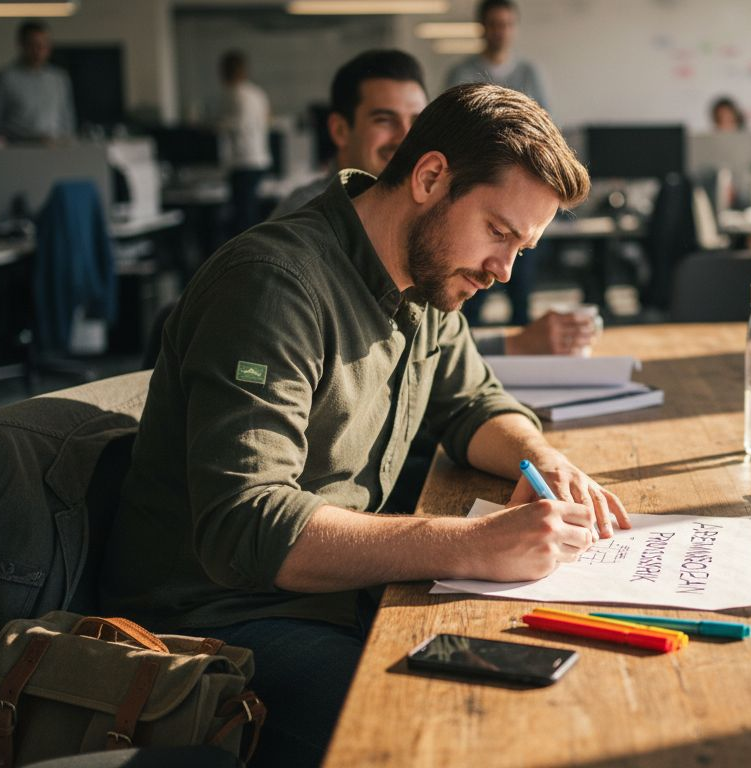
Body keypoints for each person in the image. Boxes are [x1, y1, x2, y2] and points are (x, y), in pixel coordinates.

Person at [101, 84, 628, 768]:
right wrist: (472, 544)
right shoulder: (272, 285)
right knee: (443, 738)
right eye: (499, 233)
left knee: (556, 693)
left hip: (340, 599)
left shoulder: (432, 277)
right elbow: (247, 526)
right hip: (219, 629)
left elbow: (472, 404)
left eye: (520, 251)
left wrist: (542, 459)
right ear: (430, 177)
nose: (502, 271)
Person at [274, 49, 598, 357]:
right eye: (385, 120)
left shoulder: (424, 245)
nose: (405, 137)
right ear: (340, 130)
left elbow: (451, 372)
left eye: (416, 120)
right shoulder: (304, 242)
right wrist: (516, 344)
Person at [447, 0, 548, 327]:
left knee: (521, 291)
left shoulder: (529, 73)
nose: (500, 31)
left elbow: (545, 131)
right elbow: (454, 130)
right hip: (479, 194)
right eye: (494, 24)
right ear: (482, 28)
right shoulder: (461, 74)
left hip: (522, 199)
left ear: (513, 28)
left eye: (506, 24)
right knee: (472, 293)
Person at [0, 21, 75, 142]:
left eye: (44, 44)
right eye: (33, 45)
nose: (39, 50)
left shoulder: (59, 78)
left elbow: (67, 120)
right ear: (22, 45)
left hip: (53, 149)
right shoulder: (5, 78)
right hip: (17, 150)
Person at [218, 50, 272, 239]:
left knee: (243, 219)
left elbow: (236, 125)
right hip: (258, 159)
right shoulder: (257, 93)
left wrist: (212, 125)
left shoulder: (236, 94)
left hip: (243, 161)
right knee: (248, 213)